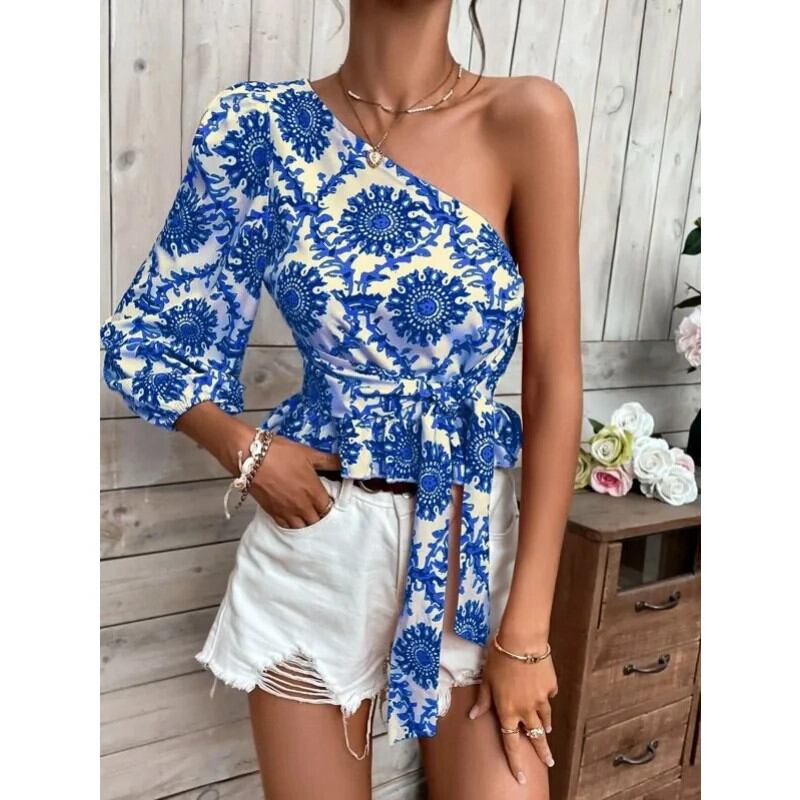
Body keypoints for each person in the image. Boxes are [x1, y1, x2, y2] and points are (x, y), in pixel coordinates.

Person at [99, 1, 582, 797]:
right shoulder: (261, 129)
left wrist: (526, 631)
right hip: (319, 543)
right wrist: (247, 453)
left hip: (468, 553)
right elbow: (150, 337)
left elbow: (554, 379)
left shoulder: (526, 115)